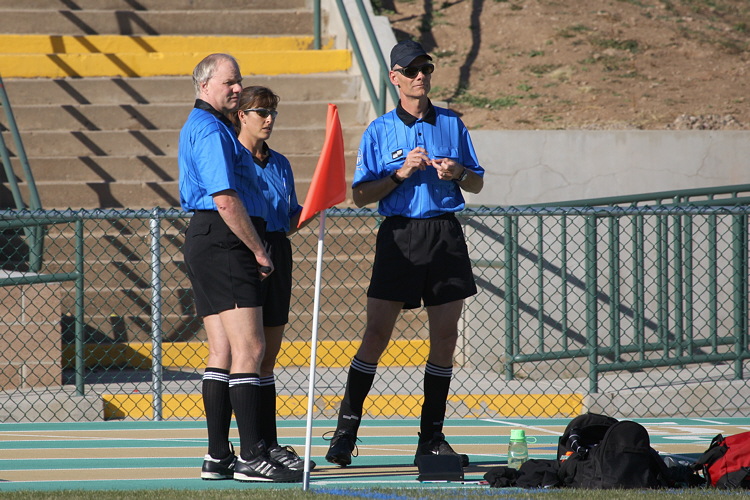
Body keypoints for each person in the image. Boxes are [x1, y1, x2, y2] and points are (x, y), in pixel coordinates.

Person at [324, 40, 485, 468]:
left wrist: (459, 172)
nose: (421, 76)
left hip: (444, 233)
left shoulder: (452, 123)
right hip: (398, 235)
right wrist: (399, 174)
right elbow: (359, 195)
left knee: (445, 339)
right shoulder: (379, 130)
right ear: (394, 77)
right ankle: (345, 433)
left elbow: (477, 184)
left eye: (426, 69)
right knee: (376, 334)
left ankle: (430, 438)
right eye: (412, 70)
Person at [178, 53, 302, 483]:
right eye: (229, 83)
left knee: (225, 352)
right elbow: (225, 198)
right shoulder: (211, 129)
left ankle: (219, 455)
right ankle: (252, 454)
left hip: (210, 238)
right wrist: (260, 252)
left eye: (239, 82)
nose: (236, 88)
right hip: (223, 240)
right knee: (250, 351)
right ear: (205, 84)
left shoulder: (210, 127)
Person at [229, 85, 316, 471]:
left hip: (277, 249)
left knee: (269, 358)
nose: (268, 119)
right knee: (249, 352)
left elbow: (289, 217)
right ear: (241, 115)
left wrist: (316, 207)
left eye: (272, 113)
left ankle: (271, 445)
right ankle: (250, 447)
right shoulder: (231, 158)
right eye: (260, 111)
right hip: (245, 252)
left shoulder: (280, 162)